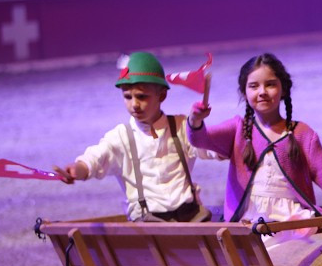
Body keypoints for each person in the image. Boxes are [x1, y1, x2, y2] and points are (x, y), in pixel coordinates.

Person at [186, 52, 322, 225]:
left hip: (292, 221)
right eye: (254, 86)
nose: (262, 92)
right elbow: (200, 139)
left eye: (270, 85)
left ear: (283, 89)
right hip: (250, 222)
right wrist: (195, 120)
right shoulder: (238, 129)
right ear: (244, 93)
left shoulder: (302, 133)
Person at [53, 51, 216, 222]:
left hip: (190, 217)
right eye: (127, 97)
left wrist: (196, 124)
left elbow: (208, 149)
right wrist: (78, 169)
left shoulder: (181, 126)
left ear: (161, 96)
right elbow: (96, 158)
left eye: (141, 97)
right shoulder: (121, 137)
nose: (134, 105)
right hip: (149, 222)